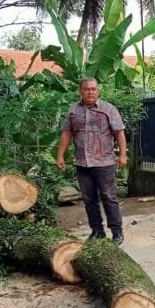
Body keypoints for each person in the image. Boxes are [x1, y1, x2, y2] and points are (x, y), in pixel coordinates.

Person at [56, 77, 127, 245]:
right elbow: (67, 133)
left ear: (98, 91)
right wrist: (60, 155)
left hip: (104, 163)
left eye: (94, 89)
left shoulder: (108, 109)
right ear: (80, 91)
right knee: (89, 200)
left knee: (109, 197)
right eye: (87, 89)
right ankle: (97, 231)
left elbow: (119, 133)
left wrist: (122, 155)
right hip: (82, 163)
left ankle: (117, 232)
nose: (91, 92)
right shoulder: (73, 110)